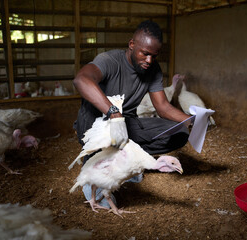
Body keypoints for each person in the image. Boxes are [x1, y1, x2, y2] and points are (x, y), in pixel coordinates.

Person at [73, 20, 191, 208]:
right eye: (145, 53)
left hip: (125, 125)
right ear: (132, 44)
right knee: (103, 139)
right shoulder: (110, 60)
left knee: (179, 133)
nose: (149, 60)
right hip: (95, 126)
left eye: (154, 55)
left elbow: (163, 107)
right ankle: (94, 165)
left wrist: (192, 120)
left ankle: (126, 163)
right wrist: (113, 112)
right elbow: (81, 79)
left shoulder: (153, 69)